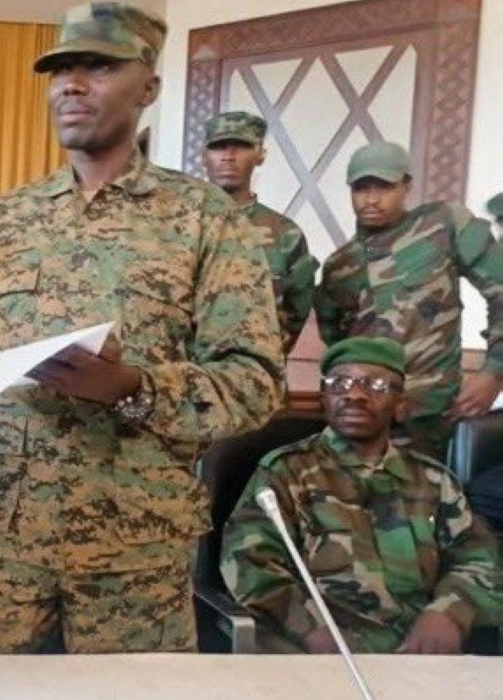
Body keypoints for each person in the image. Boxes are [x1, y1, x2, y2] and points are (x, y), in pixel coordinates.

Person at [0, 1, 285, 653]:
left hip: (133, 551)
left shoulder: (205, 220)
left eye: (99, 67)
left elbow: (254, 383)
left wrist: (132, 387)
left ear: (148, 87)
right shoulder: (4, 219)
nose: (71, 85)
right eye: (61, 70)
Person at [221, 337, 502, 654]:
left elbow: (479, 558)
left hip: (419, 651)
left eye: (376, 385)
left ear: (399, 403)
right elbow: (250, 562)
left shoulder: (434, 481)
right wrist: (311, 628)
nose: (354, 395)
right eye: (339, 383)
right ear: (324, 397)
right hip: (315, 651)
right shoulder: (285, 473)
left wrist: (449, 614)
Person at [314, 141, 503, 460]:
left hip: (429, 414)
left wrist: (494, 371)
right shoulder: (339, 265)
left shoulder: (443, 224)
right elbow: (337, 344)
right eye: (361, 188)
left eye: (384, 187)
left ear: (406, 186)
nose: (371, 199)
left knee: (425, 491)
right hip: (361, 416)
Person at [202, 110, 317, 354]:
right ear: (204, 155)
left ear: (260, 155)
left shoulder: (285, 234)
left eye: (242, 147)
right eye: (218, 147)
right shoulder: (178, 227)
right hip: (187, 372)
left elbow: (296, 312)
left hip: (258, 368)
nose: (229, 157)